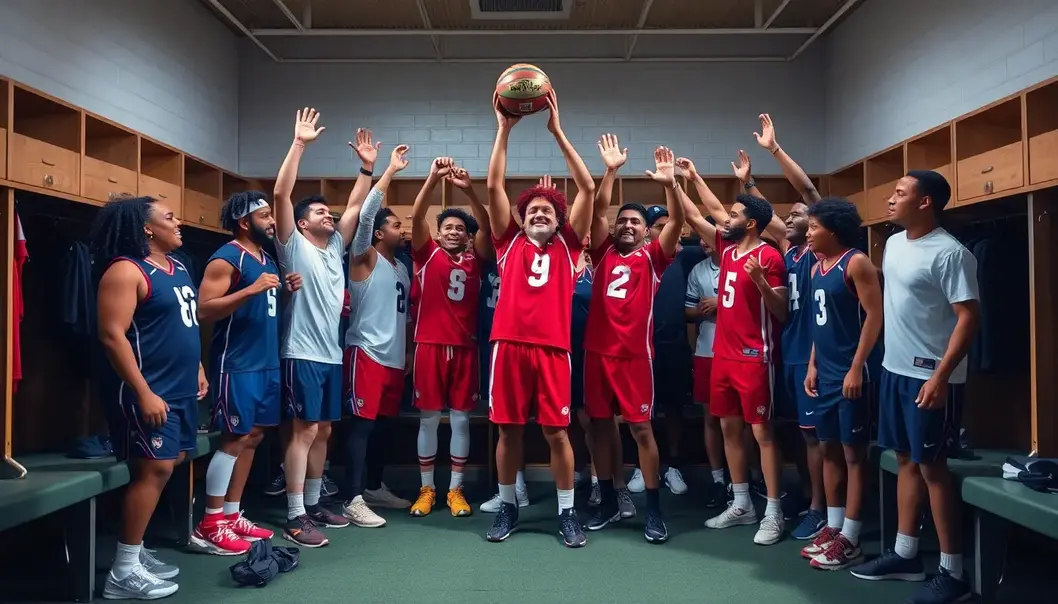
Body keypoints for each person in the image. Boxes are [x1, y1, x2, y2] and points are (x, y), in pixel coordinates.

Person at [850, 171, 979, 604]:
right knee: (904, 459)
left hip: (931, 379)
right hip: (894, 371)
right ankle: (906, 555)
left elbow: (968, 318)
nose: (890, 200)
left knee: (932, 468)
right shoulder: (893, 244)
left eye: (900, 193)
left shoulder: (951, 254)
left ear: (925, 203)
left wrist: (941, 377)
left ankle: (953, 572)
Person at [485, 89, 595, 547]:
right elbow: (493, 186)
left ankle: (567, 513)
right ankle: (508, 505)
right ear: (521, 217)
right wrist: (502, 130)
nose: (539, 214)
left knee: (557, 431)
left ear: (559, 220)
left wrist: (557, 132)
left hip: (553, 349)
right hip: (508, 345)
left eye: (548, 211)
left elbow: (587, 188)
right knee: (508, 431)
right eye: (532, 210)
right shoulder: (507, 243)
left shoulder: (571, 248)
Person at [272, 111, 379, 546]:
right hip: (300, 352)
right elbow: (281, 192)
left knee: (325, 430)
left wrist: (367, 168)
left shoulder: (335, 245)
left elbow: (354, 207)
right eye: (318, 211)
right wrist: (299, 144)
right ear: (300, 222)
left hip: (330, 353)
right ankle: (295, 514)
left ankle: (314, 502)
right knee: (305, 430)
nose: (328, 214)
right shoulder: (291, 244)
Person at [93, 196, 208, 600]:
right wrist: (143, 392)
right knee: (154, 470)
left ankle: (136, 551)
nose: (179, 223)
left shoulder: (177, 267)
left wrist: (198, 368)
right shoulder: (126, 271)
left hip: (179, 389)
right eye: (169, 217)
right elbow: (112, 335)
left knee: (170, 462)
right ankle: (122, 571)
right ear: (146, 228)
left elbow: (184, 325)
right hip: (149, 389)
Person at [678, 168, 788, 546]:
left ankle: (774, 510)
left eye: (735, 215)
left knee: (762, 434)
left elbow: (782, 312)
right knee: (729, 429)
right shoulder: (727, 249)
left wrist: (759, 281)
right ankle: (742, 504)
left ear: (752, 223)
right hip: (722, 356)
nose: (726, 219)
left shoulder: (769, 256)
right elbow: (697, 214)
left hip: (755, 357)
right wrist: (681, 180)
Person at [730, 112, 827, 537]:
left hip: (816, 356)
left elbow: (806, 191)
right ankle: (808, 499)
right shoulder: (787, 251)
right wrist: (749, 184)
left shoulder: (825, 250)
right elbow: (764, 215)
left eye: (800, 214)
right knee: (795, 434)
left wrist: (774, 150)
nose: (790, 217)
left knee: (817, 437)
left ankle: (822, 508)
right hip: (786, 354)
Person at [582, 142, 684, 543]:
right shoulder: (603, 250)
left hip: (634, 357)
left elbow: (675, 221)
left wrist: (671, 184)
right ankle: (608, 500)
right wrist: (609, 172)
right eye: (622, 220)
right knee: (601, 429)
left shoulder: (654, 259)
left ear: (645, 231)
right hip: (596, 354)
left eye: (635, 223)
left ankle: (653, 510)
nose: (626, 225)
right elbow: (596, 213)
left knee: (642, 430)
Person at [190, 192, 301, 555]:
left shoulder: (265, 257)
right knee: (234, 439)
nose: (272, 221)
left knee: (253, 436)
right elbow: (204, 310)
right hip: (236, 363)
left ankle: (233, 514)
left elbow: (263, 307)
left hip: (266, 362)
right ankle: (211, 521)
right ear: (244, 221)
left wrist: (285, 292)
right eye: (266, 215)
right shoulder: (226, 257)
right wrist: (252, 288)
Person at [798, 199, 882, 570]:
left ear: (833, 230)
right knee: (829, 448)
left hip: (851, 376)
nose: (808, 233)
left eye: (814, 227)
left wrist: (856, 367)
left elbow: (875, 316)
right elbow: (820, 323)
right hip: (825, 374)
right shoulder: (818, 266)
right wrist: (813, 364)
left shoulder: (856, 262)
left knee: (853, 455)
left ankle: (851, 536)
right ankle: (833, 527)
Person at [407, 159, 492, 518]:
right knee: (428, 419)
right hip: (429, 345)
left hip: (465, 349)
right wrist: (431, 178)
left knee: (459, 420)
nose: (454, 231)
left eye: (460, 228)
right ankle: (427, 488)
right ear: (438, 233)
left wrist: (471, 191)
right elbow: (416, 217)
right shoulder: (428, 255)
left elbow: (488, 227)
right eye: (448, 227)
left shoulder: (478, 259)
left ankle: (455, 490)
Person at [343, 143, 414, 527]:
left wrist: (408, 355)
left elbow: (406, 317)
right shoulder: (364, 255)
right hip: (366, 353)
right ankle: (351, 497)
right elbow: (366, 213)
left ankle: (372, 487)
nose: (401, 230)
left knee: (384, 428)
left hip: (392, 359)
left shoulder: (401, 267)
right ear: (379, 232)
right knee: (361, 426)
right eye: (396, 224)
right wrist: (387, 170)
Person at [625, 206, 702, 498]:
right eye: (657, 225)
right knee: (638, 413)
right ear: (646, 231)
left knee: (673, 409)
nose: (663, 230)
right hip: (638, 347)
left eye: (667, 225)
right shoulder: (634, 258)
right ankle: (639, 466)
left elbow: (715, 240)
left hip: (673, 345)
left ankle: (672, 465)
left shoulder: (685, 256)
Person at [477, 257, 531, 513]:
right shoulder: (494, 257)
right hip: (500, 344)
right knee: (508, 425)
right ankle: (513, 489)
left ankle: (566, 506)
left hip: (537, 343)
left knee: (555, 430)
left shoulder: (535, 256)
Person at [684, 232, 727, 508]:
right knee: (710, 417)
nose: (704, 242)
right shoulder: (698, 270)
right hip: (705, 350)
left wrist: (721, 305)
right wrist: (704, 310)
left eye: (709, 237)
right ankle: (719, 479)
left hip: (735, 351)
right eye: (700, 238)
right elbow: (687, 311)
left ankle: (742, 480)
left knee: (738, 421)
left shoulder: (738, 263)